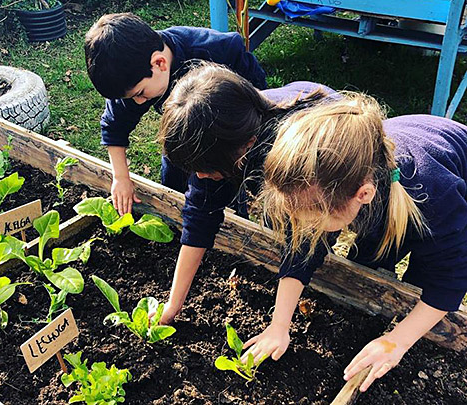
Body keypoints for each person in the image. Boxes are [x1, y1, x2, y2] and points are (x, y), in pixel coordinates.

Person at [254, 92, 467, 391]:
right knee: (371, 253)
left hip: (448, 176)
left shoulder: (434, 197)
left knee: (425, 276)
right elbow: (303, 248)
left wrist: (396, 342)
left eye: (312, 220)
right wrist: (279, 325)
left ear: (363, 196)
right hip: (398, 172)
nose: (304, 226)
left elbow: (450, 282)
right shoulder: (328, 183)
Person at [156, 63, 337, 327]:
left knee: (309, 230)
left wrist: (279, 326)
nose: (201, 177)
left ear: (246, 146)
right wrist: (174, 304)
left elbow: (307, 235)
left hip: (332, 147)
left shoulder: (294, 160)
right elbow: (200, 215)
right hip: (281, 136)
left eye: (206, 169)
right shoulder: (223, 134)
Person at [84, 13, 267, 215]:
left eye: (140, 94)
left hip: (225, 139)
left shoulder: (220, 51)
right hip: (180, 136)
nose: (137, 103)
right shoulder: (132, 70)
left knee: (225, 195)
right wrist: (120, 177)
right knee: (173, 185)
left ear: (159, 63)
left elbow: (259, 99)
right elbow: (114, 125)